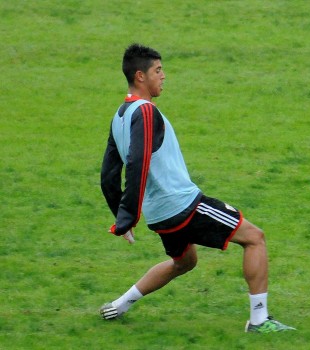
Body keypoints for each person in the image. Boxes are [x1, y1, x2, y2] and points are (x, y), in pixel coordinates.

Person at [100, 43, 295, 333]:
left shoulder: (119, 116)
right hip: (182, 206)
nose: (163, 76)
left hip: (160, 215)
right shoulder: (147, 112)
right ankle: (259, 320)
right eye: (158, 70)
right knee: (255, 238)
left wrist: (120, 215)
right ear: (140, 76)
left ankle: (120, 304)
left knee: (184, 262)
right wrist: (127, 218)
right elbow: (137, 163)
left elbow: (108, 173)